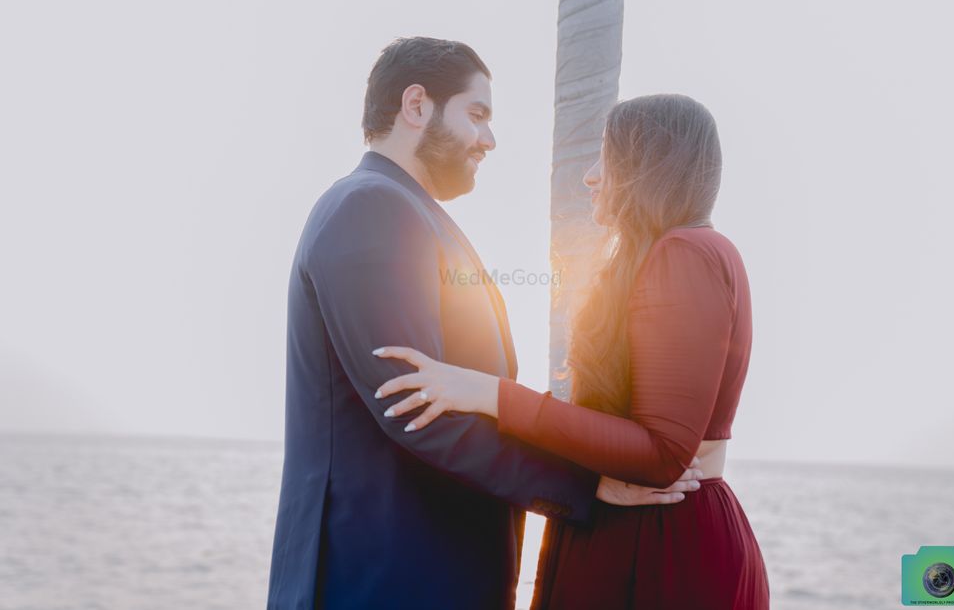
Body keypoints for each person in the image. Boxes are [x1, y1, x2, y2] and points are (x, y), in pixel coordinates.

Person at [267, 39, 702, 610]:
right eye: (477, 115)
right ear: (416, 105)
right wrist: (588, 485)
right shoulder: (371, 208)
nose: (490, 140)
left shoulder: (406, 211)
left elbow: (469, 396)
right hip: (385, 578)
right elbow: (416, 410)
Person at [374, 94, 770, 609]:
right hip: (639, 533)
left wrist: (494, 395)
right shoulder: (676, 253)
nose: (590, 177)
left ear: (651, 164)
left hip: (660, 547)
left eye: (607, 157)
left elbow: (663, 456)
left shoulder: (687, 253)